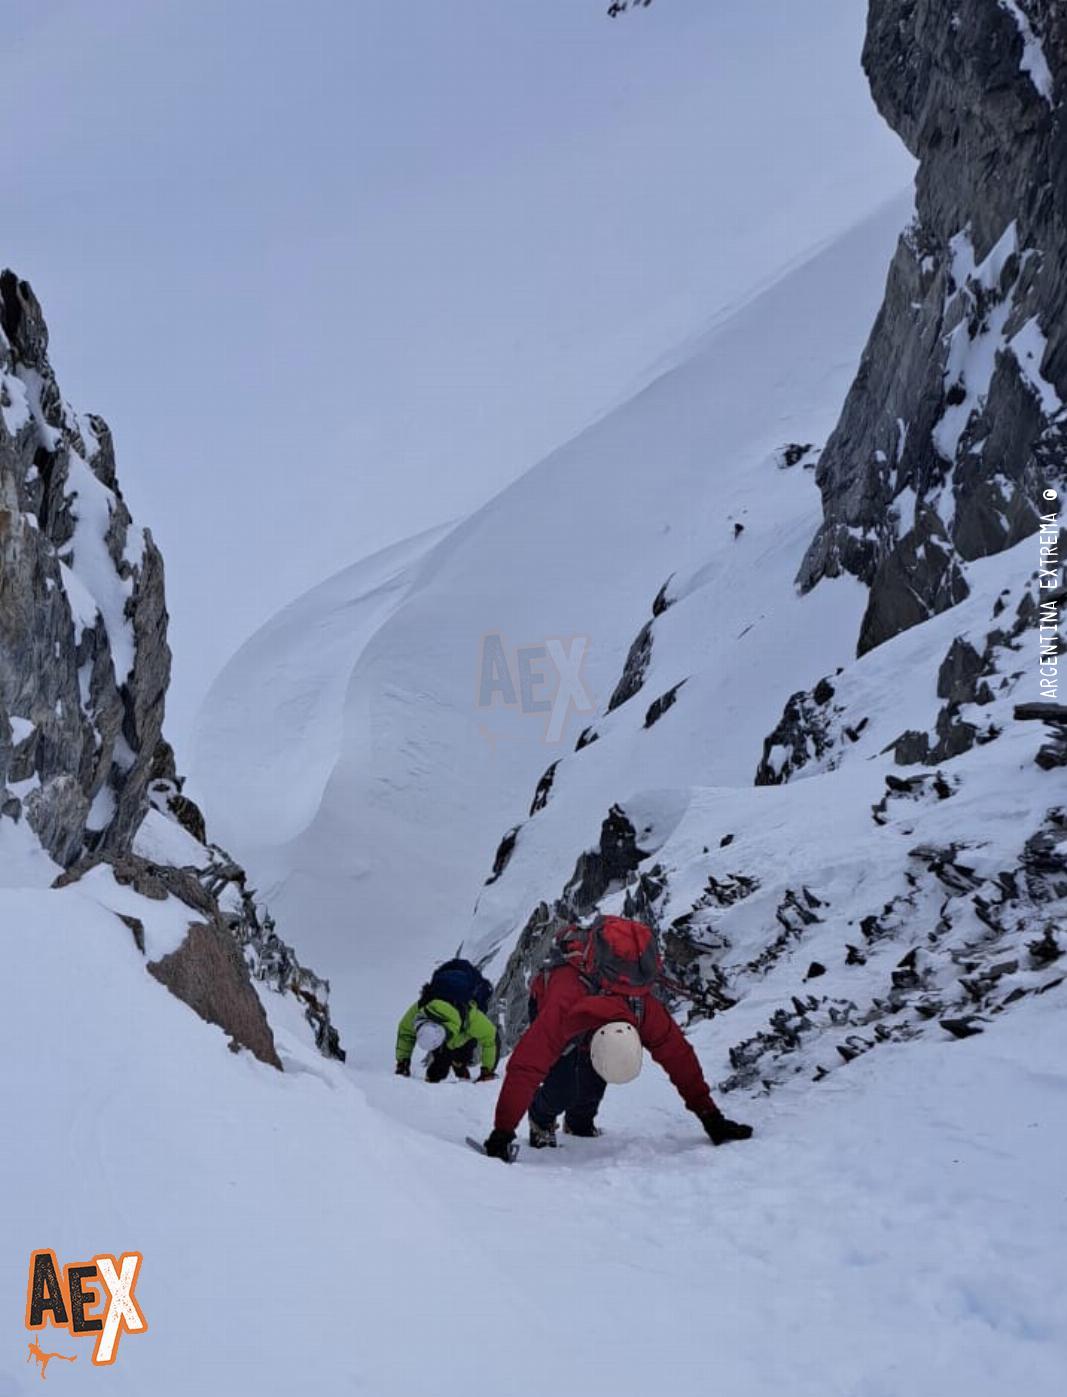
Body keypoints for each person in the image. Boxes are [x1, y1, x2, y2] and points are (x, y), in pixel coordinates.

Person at [481, 916, 752, 1160]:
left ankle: (579, 1123)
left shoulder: (640, 1005)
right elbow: (527, 1065)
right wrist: (503, 1131)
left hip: (599, 1021)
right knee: (562, 1086)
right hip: (555, 1001)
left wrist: (710, 1117)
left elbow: (678, 1058)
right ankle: (541, 1118)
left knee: (592, 1083)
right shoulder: (564, 1004)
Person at [395, 958, 499, 1082]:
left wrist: (487, 1070)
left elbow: (491, 1038)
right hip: (450, 990)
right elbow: (406, 1031)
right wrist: (403, 1062)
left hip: (470, 992)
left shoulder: (470, 1016)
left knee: (466, 1045)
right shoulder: (423, 1007)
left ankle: (459, 1063)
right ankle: (451, 1066)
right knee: (443, 1054)